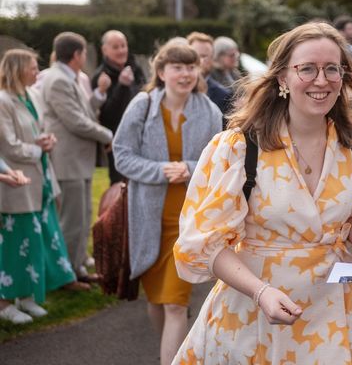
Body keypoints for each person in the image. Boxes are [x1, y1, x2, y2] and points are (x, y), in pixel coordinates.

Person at [172, 22, 352, 364]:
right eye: (307, 68)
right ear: (281, 78)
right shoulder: (238, 148)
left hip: (336, 316)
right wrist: (260, 293)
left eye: (331, 69)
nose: (321, 80)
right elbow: (205, 246)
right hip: (253, 317)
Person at [113, 38, 222, 365]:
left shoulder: (210, 111)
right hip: (147, 220)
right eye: (177, 67)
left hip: (188, 222)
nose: (186, 74)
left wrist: (188, 168)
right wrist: (160, 170)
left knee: (176, 303)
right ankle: (170, 352)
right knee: (157, 302)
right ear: (161, 72)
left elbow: (217, 162)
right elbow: (121, 155)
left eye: (191, 67)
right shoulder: (142, 105)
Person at [0, 49, 85, 325]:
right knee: (14, 244)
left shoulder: (31, 95)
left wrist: (46, 140)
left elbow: (35, 131)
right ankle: (5, 303)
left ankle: (26, 298)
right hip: (16, 183)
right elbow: (9, 145)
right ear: (16, 70)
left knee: (33, 242)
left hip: (39, 180)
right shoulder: (3, 101)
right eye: (33, 68)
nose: (38, 73)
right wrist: (38, 149)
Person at [40, 32, 114, 282]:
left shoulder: (69, 77)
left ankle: (77, 264)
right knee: (72, 219)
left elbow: (84, 113)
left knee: (82, 216)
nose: (85, 57)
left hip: (77, 160)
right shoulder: (58, 79)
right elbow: (75, 122)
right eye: (84, 53)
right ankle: (67, 273)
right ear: (76, 55)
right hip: (67, 160)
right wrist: (109, 136)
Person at [91, 30, 146, 184]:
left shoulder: (135, 68)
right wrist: (121, 87)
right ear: (105, 50)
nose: (121, 51)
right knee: (119, 186)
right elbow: (106, 114)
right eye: (116, 47)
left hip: (142, 135)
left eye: (123, 46)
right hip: (117, 140)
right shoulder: (101, 76)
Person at [186, 31, 231, 118]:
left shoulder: (223, 96)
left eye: (204, 56)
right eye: (195, 55)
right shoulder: (174, 90)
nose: (200, 61)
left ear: (212, 59)